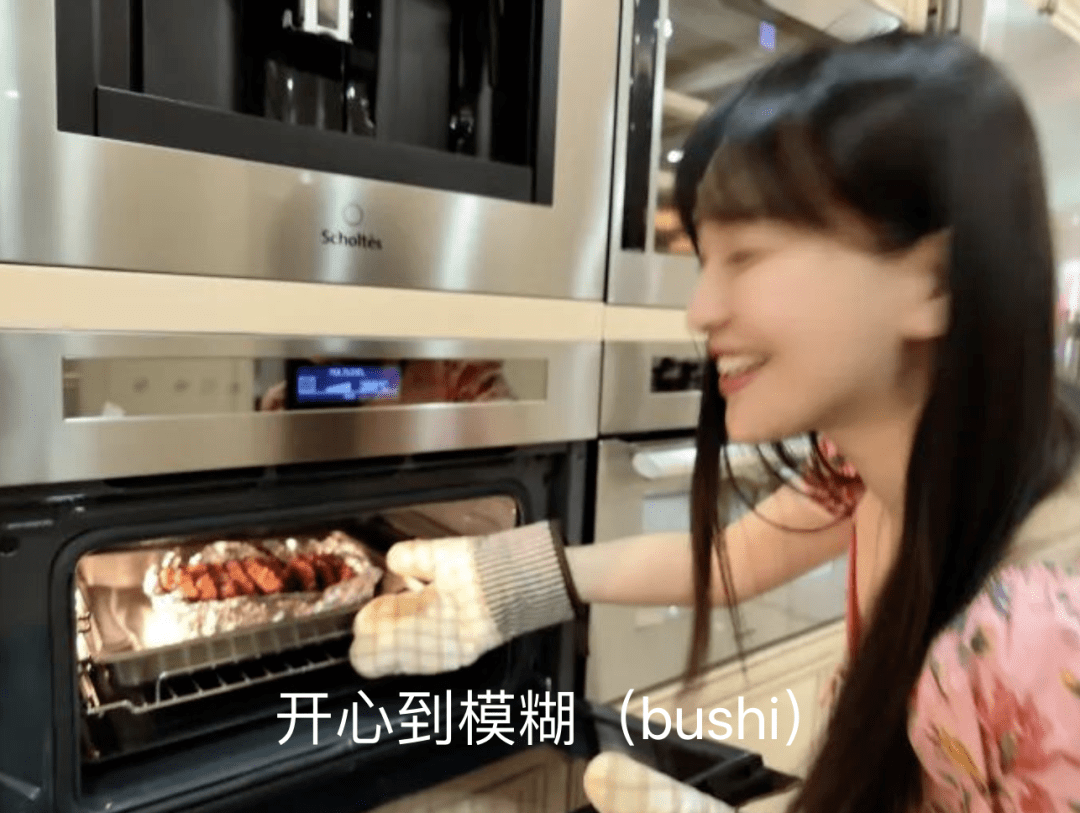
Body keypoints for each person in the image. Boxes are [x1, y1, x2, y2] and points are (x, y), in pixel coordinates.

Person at [350, 31, 1080, 813]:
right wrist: (508, 584)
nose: (699, 311)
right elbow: (737, 554)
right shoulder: (875, 468)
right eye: (706, 259)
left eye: (748, 256)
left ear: (934, 283)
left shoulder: (1038, 641)